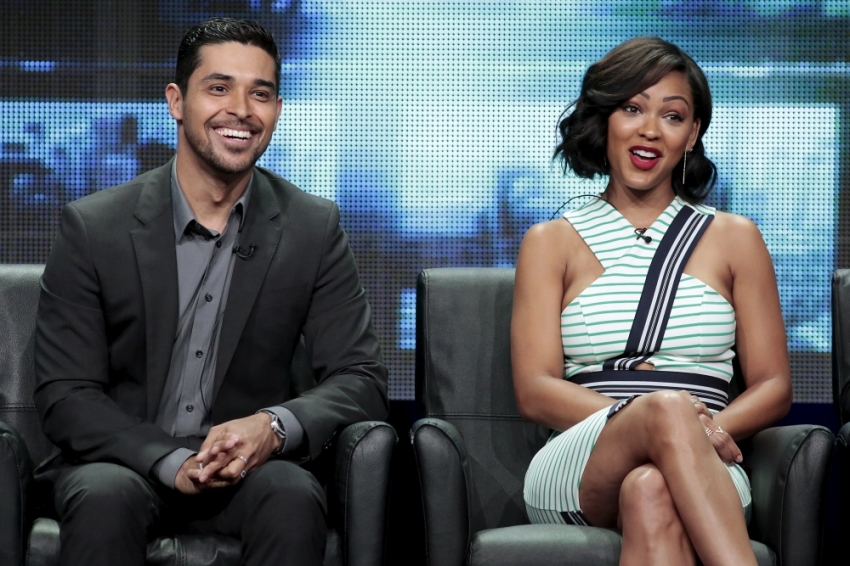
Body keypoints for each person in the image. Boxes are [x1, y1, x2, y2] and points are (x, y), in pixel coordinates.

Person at [32, 17, 388, 566]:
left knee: (293, 495)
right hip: (125, 465)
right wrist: (167, 460)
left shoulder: (313, 228)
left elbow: (359, 377)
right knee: (103, 494)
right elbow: (66, 394)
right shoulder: (94, 226)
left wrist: (272, 428)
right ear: (176, 101)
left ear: (276, 111)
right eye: (219, 88)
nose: (242, 109)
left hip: (250, 473)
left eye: (261, 93)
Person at [513, 37, 791, 566]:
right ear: (606, 121)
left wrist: (696, 432)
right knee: (663, 407)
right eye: (632, 108)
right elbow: (535, 390)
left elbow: (775, 386)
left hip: (708, 454)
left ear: (693, 134)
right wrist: (658, 418)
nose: (649, 129)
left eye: (672, 115)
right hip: (581, 456)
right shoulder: (550, 241)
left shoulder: (735, 238)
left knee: (650, 490)